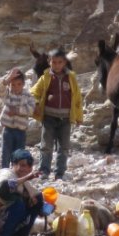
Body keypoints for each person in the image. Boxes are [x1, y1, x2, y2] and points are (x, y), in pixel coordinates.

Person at [29, 48, 83, 180]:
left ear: (64, 63)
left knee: (64, 147)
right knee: (46, 145)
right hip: (49, 117)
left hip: (66, 118)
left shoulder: (71, 78)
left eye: (59, 62)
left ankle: (60, 173)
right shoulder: (45, 78)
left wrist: (79, 117)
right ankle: (44, 171)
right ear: (49, 62)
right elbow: (33, 92)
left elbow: (77, 99)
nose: (57, 65)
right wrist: (35, 104)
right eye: (54, 62)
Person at [0, 67, 36, 169]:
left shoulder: (27, 95)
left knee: (19, 154)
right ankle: (4, 172)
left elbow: (31, 109)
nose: (15, 87)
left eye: (19, 84)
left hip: (20, 131)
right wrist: (7, 79)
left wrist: (17, 111)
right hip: (7, 129)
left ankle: (17, 172)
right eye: (12, 84)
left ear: (23, 84)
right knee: (6, 153)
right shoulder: (8, 93)